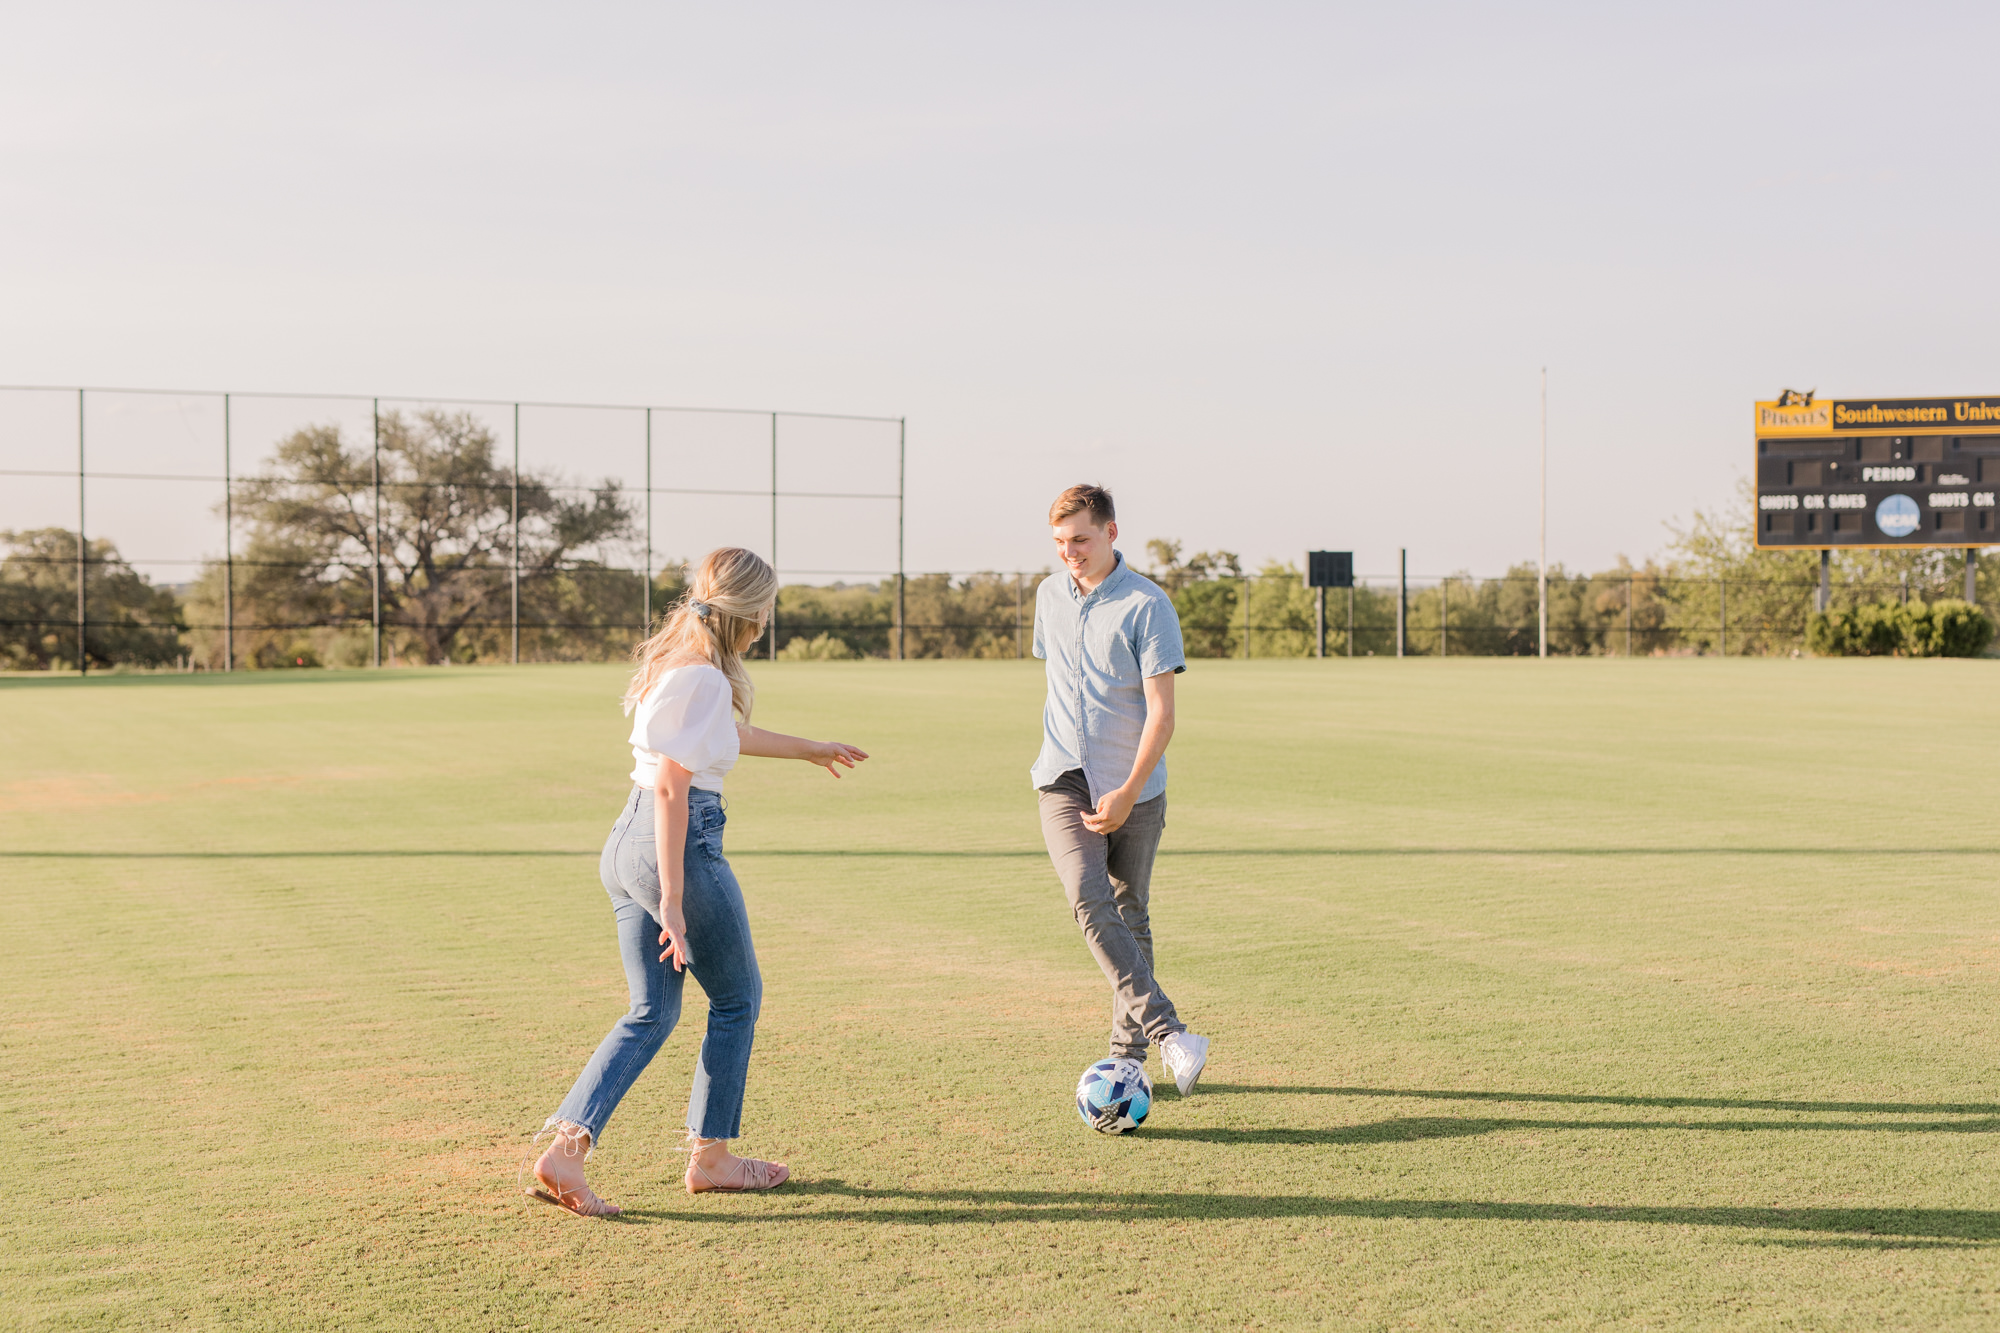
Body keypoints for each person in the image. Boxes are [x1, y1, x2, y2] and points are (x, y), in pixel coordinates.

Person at [525, 546, 869, 1218]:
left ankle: (565, 1152)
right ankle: (712, 1158)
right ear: (745, 611)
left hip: (625, 844)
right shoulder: (706, 677)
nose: (767, 623)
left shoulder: (678, 663)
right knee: (738, 997)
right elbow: (674, 788)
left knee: (652, 1010)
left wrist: (811, 748)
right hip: (672, 843)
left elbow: (721, 740)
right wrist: (675, 903)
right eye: (765, 609)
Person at [1032, 484, 1210, 1097]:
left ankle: (1126, 1060)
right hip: (1062, 776)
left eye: (1080, 539)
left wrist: (1129, 789)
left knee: (1130, 914)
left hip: (1134, 784)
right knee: (1087, 898)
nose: (1070, 553)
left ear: (1111, 532)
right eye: (1060, 542)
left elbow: (1162, 713)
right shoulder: (1048, 596)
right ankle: (1170, 1033)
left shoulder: (1148, 605)